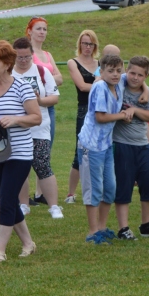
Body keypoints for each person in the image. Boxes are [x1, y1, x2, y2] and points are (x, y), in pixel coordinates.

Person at [0, 40, 41, 262]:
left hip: (19, 154)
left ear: (7, 63)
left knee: (6, 200)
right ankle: (28, 243)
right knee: (7, 198)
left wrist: (16, 119)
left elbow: (36, 117)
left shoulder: (21, 86)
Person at [78, 54, 134, 244]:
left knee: (110, 187)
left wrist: (145, 91)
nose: (116, 74)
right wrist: (122, 115)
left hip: (106, 144)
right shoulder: (100, 87)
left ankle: (102, 227)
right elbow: (100, 117)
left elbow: (135, 76)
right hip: (91, 145)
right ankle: (93, 232)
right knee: (94, 188)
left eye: (119, 70)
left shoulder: (120, 81)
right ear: (101, 72)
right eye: (110, 71)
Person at [112, 56, 149, 240]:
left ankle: (147, 224)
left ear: (146, 76)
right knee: (124, 186)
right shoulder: (118, 84)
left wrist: (135, 110)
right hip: (121, 144)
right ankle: (123, 228)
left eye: (140, 75)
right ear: (126, 71)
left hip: (142, 144)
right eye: (132, 73)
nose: (135, 78)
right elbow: (101, 79)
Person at [12, 37, 62, 218]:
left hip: (40, 127)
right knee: (20, 167)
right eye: (20, 57)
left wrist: (39, 100)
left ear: (32, 55)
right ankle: (23, 204)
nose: (24, 61)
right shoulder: (9, 74)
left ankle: (54, 206)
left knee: (42, 165)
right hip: (17, 128)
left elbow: (54, 97)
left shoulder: (41, 71)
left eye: (27, 57)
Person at [65, 29, 99, 204]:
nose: (87, 47)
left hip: (100, 108)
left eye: (91, 43)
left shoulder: (100, 62)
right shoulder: (73, 63)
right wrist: (101, 82)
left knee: (100, 149)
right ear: (79, 44)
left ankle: (96, 188)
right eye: (85, 43)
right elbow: (82, 86)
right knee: (81, 151)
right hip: (84, 109)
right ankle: (71, 193)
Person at [26, 17, 63, 145]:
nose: (42, 32)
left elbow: (60, 78)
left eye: (44, 29)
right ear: (30, 31)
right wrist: (49, 80)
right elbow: (27, 76)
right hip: (32, 103)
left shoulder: (47, 54)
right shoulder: (27, 54)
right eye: (38, 29)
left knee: (47, 144)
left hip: (49, 103)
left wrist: (44, 79)